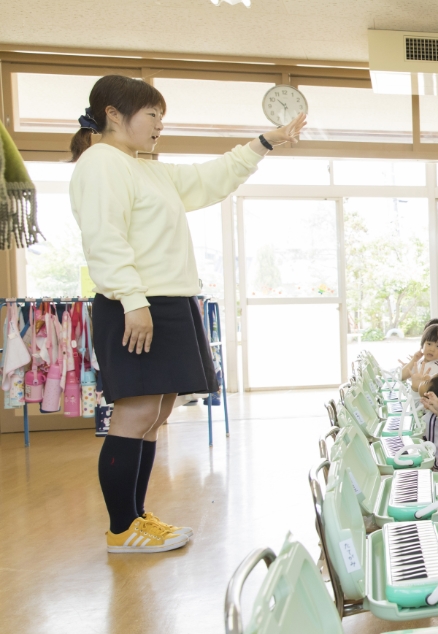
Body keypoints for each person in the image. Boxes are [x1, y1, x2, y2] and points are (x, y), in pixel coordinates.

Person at [69, 75, 306, 553]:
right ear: (114, 113)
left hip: (169, 301)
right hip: (136, 303)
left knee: (156, 414)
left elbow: (207, 180)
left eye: (162, 117)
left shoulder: (147, 169)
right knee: (133, 414)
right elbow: (104, 238)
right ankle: (121, 530)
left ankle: (136, 518)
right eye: (152, 114)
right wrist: (133, 301)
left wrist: (265, 143)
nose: (160, 125)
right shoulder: (101, 164)